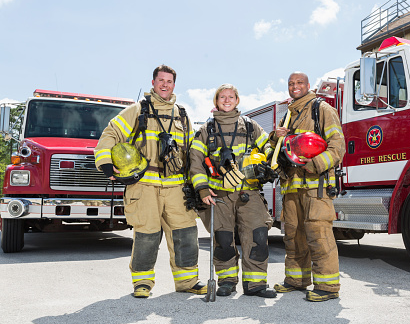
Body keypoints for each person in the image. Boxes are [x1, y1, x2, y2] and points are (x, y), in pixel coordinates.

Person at [94, 65, 206, 298]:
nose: (165, 85)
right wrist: (105, 162)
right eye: (161, 80)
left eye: (169, 81)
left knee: (185, 233)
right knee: (147, 235)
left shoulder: (182, 115)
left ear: (174, 85)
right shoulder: (137, 110)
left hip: (176, 187)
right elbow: (110, 134)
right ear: (153, 82)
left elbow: (192, 152)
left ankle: (187, 282)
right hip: (144, 185)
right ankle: (142, 283)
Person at [189, 83, 277, 298]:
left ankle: (255, 284)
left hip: (250, 193)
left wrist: (269, 155)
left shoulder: (250, 126)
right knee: (224, 239)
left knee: (257, 235)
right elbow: (195, 161)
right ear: (216, 101)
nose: (227, 100)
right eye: (222, 97)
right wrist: (202, 190)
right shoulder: (205, 131)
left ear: (237, 100)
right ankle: (227, 282)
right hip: (219, 195)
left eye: (231, 97)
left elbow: (268, 147)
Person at [270, 71, 346, 302]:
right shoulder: (288, 115)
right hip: (291, 187)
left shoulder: (321, 109)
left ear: (308, 85)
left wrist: (314, 164)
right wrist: (276, 137)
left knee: (319, 234)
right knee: (293, 235)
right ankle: (296, 280)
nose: (295, 86)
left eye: (299, 82)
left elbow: (338, 147)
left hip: (317, 186)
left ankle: (327, 286)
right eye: (291, 83)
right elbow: (280, 152)